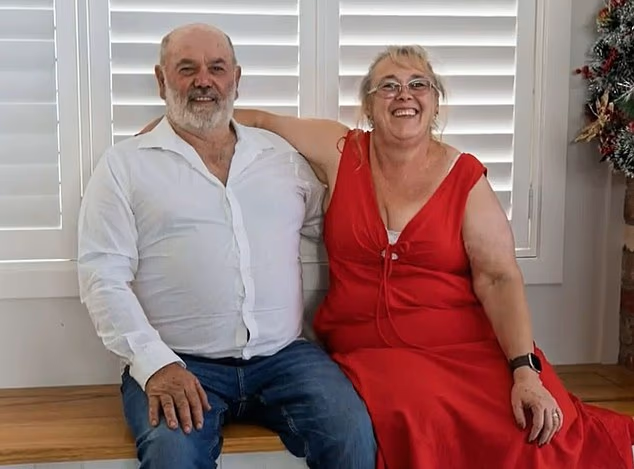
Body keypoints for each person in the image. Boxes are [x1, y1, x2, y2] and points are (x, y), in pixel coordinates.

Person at [226, 45, 634, 468]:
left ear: (435, 102)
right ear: (368, 105)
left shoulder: (465, 177)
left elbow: (498, 278)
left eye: (418, 84)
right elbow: (260, 121)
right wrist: (184, 123)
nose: (404, 94)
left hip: (466, 347)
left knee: (535, 430)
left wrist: (524, 370)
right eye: (388, 86)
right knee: (422, 420)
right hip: (372, 354)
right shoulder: (340, 150)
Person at [77, 23, 376, 469]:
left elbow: (332, 228)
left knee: (352, 435)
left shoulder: (281, 158)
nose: (204, 81)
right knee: (172, 457)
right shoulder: (123, 166)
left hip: (285, 357)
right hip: (179, 362)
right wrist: (155, 364)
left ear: (236, 79)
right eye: (187, 69)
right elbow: (102, 277)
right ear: (161, 80)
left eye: (217, 68)